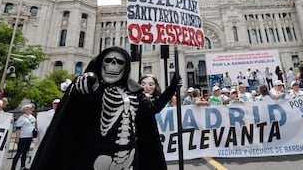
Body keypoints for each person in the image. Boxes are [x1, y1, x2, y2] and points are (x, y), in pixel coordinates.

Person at [31, 46, 180, 170]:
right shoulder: (93, 88)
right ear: (100, 63)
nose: (113, 66)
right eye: (108, 61)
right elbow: (77, 109)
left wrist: (172, 87)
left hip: (130, 158)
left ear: (125, 67)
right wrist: (84, 85)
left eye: (119, 62)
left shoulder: (134, 91)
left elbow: (151, 108)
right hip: (95, 158)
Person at [137, 73, 179, 170]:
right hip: (141, 146)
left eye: (151, 84)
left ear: (156, 87)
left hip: (152, 145)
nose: (147, 87)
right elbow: (153, 107)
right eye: (143, 84)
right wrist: (171, 88)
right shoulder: (139, 98)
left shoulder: (151, 99)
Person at [11, 104, 36, 170]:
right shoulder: (22, 118)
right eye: (30, 109)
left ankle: (22, 167)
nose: (31, 110)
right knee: (19, 153)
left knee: (25, 153)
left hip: (29, 137)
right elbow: (18, 129)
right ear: (26, 110)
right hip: (22, 138)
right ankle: (13, 167)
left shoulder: (32, 117)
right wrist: (17, 138)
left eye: (31, 109)